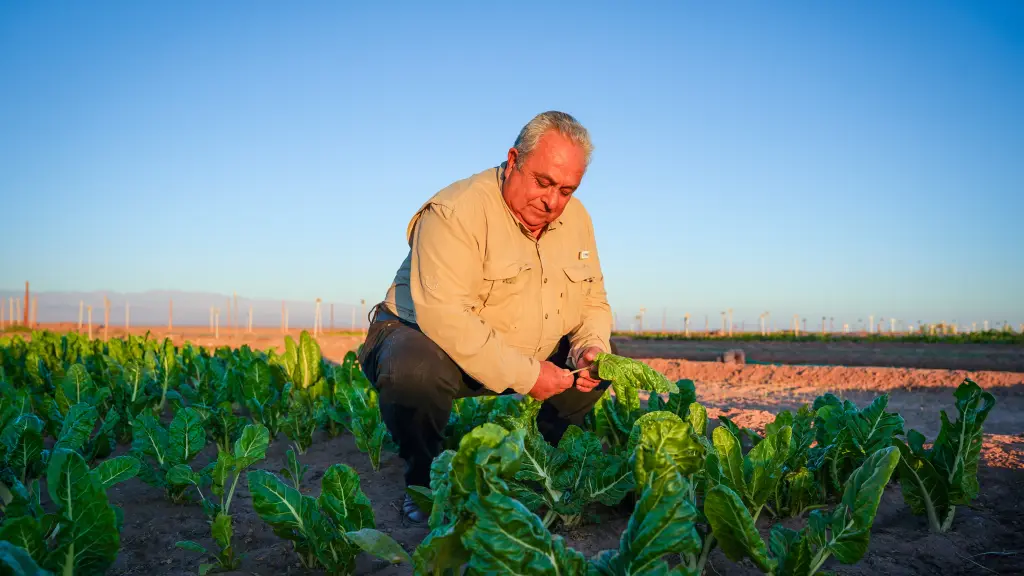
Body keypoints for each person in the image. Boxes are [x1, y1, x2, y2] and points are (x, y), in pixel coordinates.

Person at [358, 111, 613, 524]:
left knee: (602, 365)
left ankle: (538, 465)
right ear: (513, 160)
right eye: (543, 182)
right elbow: (446, 319)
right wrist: (530, 376)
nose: (552, 201)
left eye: (566, 190)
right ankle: (425, 483)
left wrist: (590, 347)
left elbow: (593, 302)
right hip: (430, 340)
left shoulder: (577, 219)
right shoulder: (454, 212)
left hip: (518, 345)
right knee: (413, 369)